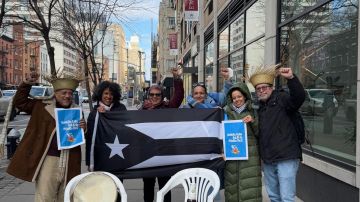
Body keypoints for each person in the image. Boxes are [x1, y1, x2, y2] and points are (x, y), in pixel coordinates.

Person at [7, 71, 86, 202]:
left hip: (70, 159)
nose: (67, 96)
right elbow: (20, 102)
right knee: (45, 197)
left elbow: (80, 135)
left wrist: (84, 128)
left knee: (67, 197)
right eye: (64, 93)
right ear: (56, 93)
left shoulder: (76, 110)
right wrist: (26, 84)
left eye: (70, 93)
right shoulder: (41, 106)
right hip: (49, 159)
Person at [249, 66, 305, 202]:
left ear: (271, 87)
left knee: (287, 197)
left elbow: (298, 98)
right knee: (274, 196)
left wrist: (292, 79)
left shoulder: (282, 98)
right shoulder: (260, 108)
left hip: (286, 156)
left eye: (265, 87)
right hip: (268, 159)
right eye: (258, 88)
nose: (262, 90)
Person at [141, 65, 184, 202]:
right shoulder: (141, 111)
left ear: (162, 95)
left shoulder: (168, 108)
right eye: (152, 94)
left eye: (157, 94)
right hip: (147, 154)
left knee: (165, 187)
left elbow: (178, 96)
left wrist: (177, 78)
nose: (154, 97)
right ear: (148, 96)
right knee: (148, 186)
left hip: (165, 153)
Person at [223, 82, 262, 202]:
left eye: (239, 96)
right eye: (234, 98)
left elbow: (260, 133)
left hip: (251, 156)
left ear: (245, 96)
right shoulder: (225, 112)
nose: (237, 100)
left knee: (250, 188)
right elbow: (221, 134)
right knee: (232, 188)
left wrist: (253, 121)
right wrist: (223, 151)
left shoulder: (253, 111)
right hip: (231, 157)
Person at [86, 81, 127, 170]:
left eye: (111, 94)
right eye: (106, 93)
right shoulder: (94, 113)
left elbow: (126, 129)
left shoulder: (121, 109)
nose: (108, 97)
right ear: (100, 94)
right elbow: (90, 138)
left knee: (117, 182)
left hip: (118, 156)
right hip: (101, 157)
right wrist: (90, 162)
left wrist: (107, 115)